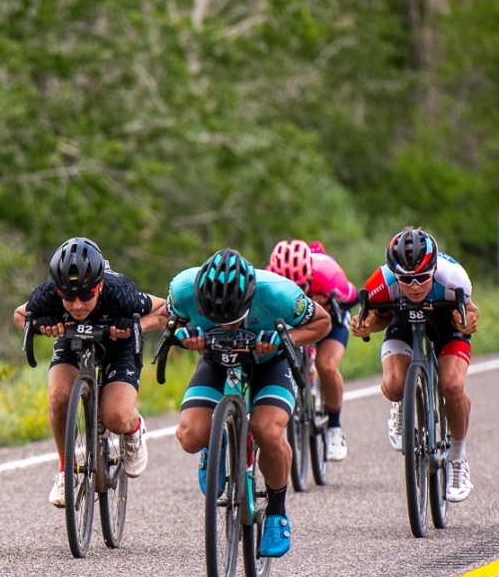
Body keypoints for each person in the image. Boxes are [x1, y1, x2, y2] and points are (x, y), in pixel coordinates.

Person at [168, 249, 331, 559]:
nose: (226, 325)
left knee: (267, 430)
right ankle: (212, 444)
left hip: (270, 361)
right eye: (218, 319)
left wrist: (284, 339)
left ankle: (277, 514)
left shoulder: (280, 295)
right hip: (216, 360)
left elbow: (322, 323)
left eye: (233, 318)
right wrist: (184, 335)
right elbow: (168, 321)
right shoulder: (183, 289)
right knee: (190, 436)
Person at [14, 238, 168, 508]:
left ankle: (134, 428)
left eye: (86, 296)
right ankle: (66, 471)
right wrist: (40, 325)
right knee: (59, 397)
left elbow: (165, 311)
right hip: (72, 341)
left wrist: (135, 327)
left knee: (116, 417)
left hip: (118, 345)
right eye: (68, 297)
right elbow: (19, 315)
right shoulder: (48, 293)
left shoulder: (120, 291)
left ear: (99, 285)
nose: (76, 305)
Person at [351, 227, 480, 502]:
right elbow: (376, 317)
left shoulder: (454, 277)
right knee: (394, 385)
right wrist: (364, 326)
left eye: (422, 278)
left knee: (452, 385)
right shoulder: (380, 282)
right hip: (403, 322)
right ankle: (402, 405)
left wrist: (466, 321)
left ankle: (458, 460)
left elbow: (471, 312)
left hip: (446, 323)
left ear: (434, 269)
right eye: (406, 281)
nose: (415, 286)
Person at [267, 238, 359, 461]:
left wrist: (328, 302)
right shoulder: (266, 278)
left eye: (301, 289)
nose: (295, 294)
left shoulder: (329, 276)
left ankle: (335, 428)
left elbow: (353, 297)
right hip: (292, 320)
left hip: (329, 316)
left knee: (326, 366)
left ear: (309, 277)